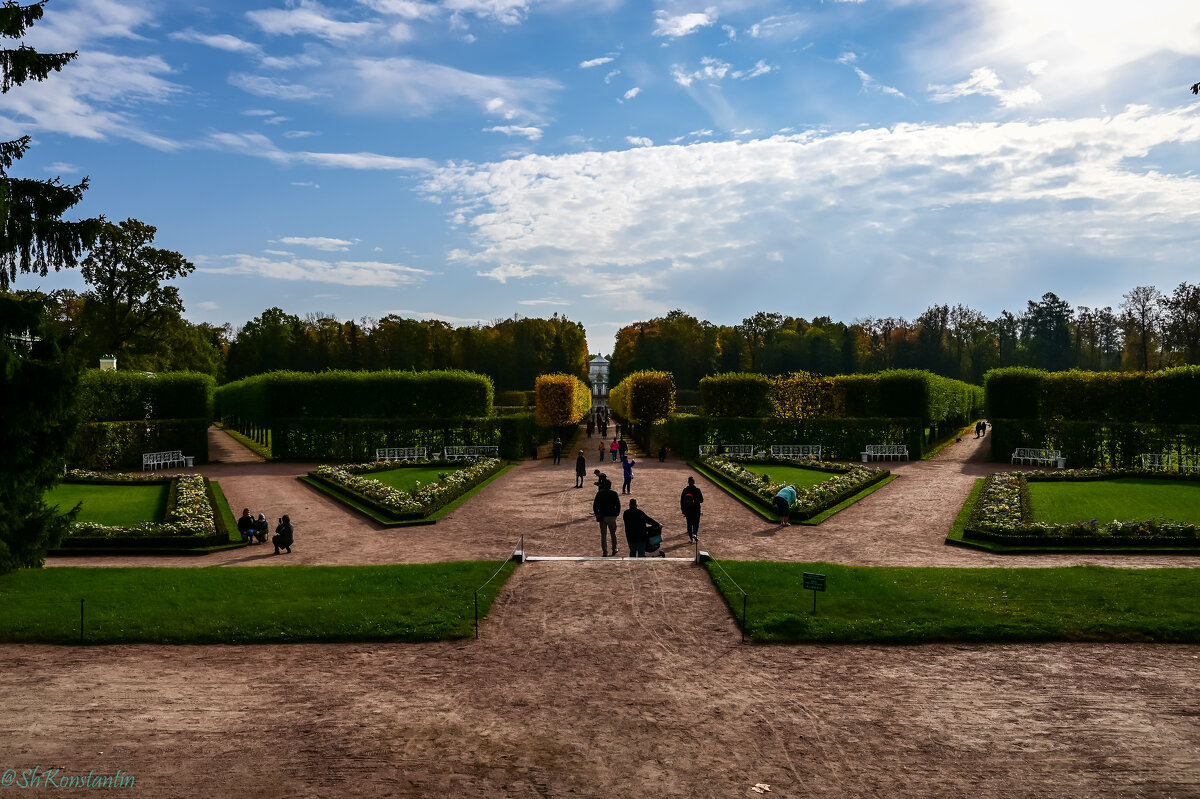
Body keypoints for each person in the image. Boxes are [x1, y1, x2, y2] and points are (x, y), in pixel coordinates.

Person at [593, 480, 622, 557]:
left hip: (602, 516)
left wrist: (597, 514)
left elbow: (595, 505)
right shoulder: (614, 493)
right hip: (612, 516)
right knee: (613, 534)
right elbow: (618, 505)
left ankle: (605, 551)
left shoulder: (599, 493)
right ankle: (614, 548)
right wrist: (616, 514)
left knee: (603, 535)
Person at [680, 477, 704, 542]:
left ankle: (691, 538)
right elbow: (701, 500)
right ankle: (695, 533)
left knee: (689, 523)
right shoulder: (697, 490)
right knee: (696, 522)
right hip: (696, 509)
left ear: (688, 482)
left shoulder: (685, 490)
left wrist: (682, 509)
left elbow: (682, 501)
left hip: (688, 510)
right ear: (694, 482)